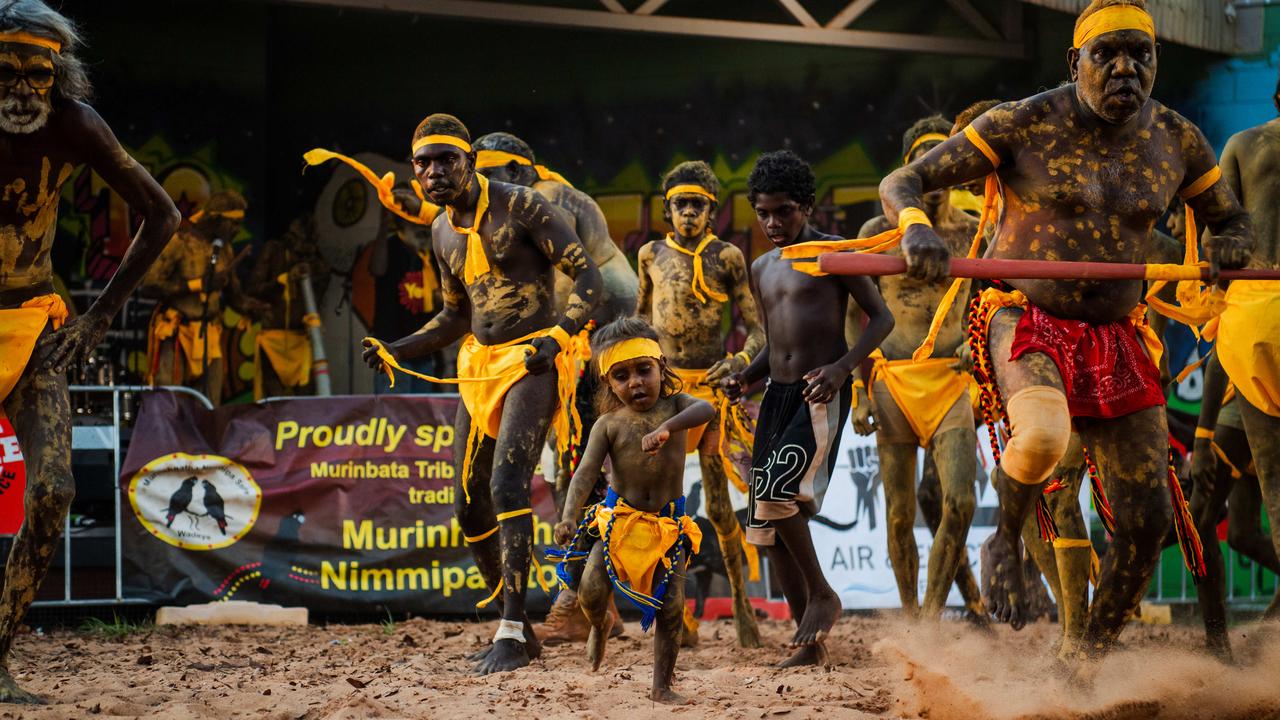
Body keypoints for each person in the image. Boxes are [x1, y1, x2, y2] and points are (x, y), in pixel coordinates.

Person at [877, 0, 1252, 667]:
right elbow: (905, 178)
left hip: (1117, 335)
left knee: (1146, 522)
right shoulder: (1024, 121)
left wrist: (1229, 245)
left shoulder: (1178, 138)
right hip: (1025, 317)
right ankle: (1005, 539)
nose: (1125, 68)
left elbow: (1229, 220)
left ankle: (1083, 659)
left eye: (1141, 53)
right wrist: (915, 227)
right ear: (1073, 62)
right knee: (1045, 436)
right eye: (1107, 54)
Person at [361, 114, 601, 675]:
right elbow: (453, 315)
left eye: (447, 159)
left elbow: (585, 277)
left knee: (506, 483)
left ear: (469, 159)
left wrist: (561, 337)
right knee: (468, 503)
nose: (435, 171)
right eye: (423, 163)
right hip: (477, 365)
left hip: (533, 358)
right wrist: (397, 346)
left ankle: (515, 631)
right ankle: (506, 613)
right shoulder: (442, 231)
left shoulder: (521, 206)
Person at [0, 0, 180, 701]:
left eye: (36, 75)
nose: (21, 90)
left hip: (32, 324)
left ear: (58, 75)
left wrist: (99, 318)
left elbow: (161, 213)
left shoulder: (74, 124)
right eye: (7, 72)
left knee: (53, 491)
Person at [724, 150, 894, 667]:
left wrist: (843, 369)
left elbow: (880, 319)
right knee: (764, 524)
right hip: (774, 398)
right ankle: (808, 644)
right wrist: (746, 376)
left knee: (775, 491)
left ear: (807, 207)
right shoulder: (761, 267)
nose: (774, 223)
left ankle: (823, 594)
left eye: (785, 211)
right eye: (764, 213)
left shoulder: (836, 253)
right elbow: (774, 339)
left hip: (818, 393)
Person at [470, 132, 635, 643]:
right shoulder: (492, 210)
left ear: (520, 172)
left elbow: (609, 289)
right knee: (550, 473)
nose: (483, 183)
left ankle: (578, 601)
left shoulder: (555, 201)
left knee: (578, 472)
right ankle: (585, 603)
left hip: (586, 351)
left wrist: (579, 347)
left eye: (491, 172)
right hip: (542, 356)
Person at [847, 116, 980, 622]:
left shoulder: (973, 233)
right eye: (927, 156)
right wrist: (859, 393)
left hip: (951, 381)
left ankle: (930, 614)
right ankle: (916, 623)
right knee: (900, 513)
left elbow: (990, 303)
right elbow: (850, 318)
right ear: (911, 167)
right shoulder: (878, 233)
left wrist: (979, 342)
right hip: (892, 384)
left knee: (961, 503)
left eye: (946, 155)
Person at [635, 160, 765, 648]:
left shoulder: (728, 256)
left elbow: (757, 327)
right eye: (680, 204)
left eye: (698, 204)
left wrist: (739, 360)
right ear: (667, 209)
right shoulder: (650, 254)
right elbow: (641, 322)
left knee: (718, 505)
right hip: (665, 393)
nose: (689, 212)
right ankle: (677, 615)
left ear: (712, 210)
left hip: (709, 393)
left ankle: (742, 607)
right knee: (663, 505)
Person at [552, 317, 712, 703]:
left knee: (671, 606)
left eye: (644, 370)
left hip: (666, 528)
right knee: (590, 591)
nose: (636, 382)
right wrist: (569, 516)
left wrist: (668, 428)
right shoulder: (608, 424)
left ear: (661, 368)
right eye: (622, 376)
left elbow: (705, 408)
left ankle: (661, 686)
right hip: (618, 523)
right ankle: (600, 623)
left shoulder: (678, 405)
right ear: (608, 383)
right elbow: (585, 473)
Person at [1189, 89, 1280, 659]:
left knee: (1271, 493)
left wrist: (1199, 436)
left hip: (1256, 316)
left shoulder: (1246, 145)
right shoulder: (1245, 146)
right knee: (1243, 521)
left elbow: (1216, 248)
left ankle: (1225, 644)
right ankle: (1226, 641)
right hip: (1251, 324)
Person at [140, 189, 268, 406]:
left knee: (209, 404)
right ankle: (168, 440)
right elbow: (149, 286)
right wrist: (198, 284)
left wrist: (253, 306)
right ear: (216, 219)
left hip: (209, 335)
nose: (237, 230)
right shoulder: (180, 241)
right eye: (233, 224)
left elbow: (235, 297)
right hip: (177, 333)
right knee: (169, 401)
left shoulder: (225, 249)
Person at [246, 215, 329, 400]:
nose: (303, 259)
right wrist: (282, 280)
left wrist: (314, 272)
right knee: (273, 402)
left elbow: (319, 297)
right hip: (273, 338)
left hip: (303, 339)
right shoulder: (274, 251)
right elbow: (252, 289)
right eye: (299, 254)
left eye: (308, 254)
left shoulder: (317, 262)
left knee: (306, 401)